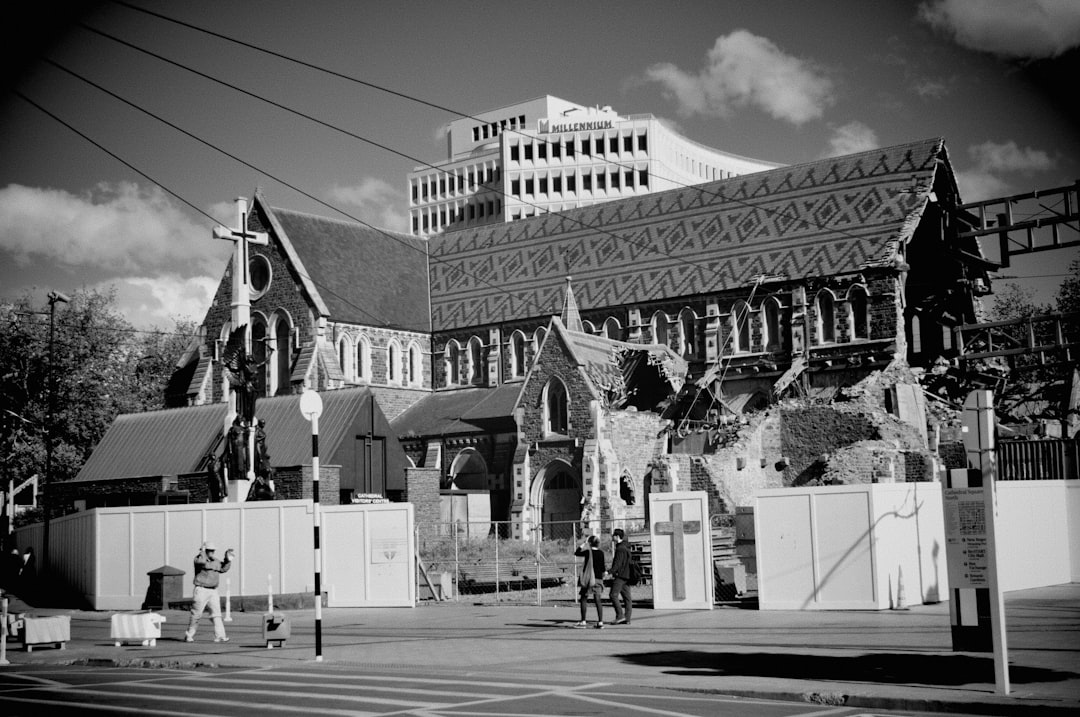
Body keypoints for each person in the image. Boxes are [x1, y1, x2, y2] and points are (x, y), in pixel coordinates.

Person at [183, 541, 234, 643]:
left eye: (213, 551)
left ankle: (220, 635)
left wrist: (227, 559)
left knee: (217, 614)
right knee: (196, 614)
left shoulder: (215, 561)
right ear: (205, 550)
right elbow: (201, 562)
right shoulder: (199, 559)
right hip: (201, 590)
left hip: (213, 590)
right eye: (209, 550)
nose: (212, 552)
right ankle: (189, 635)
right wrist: (202, 551)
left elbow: (223, 569)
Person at [573, 535, 605, 629]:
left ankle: (583, 620)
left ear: (590, 543)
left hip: (589, 578)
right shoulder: (601, 553)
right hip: (598, 578)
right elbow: (602, 567)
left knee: (584, 597)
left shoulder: (588, 552)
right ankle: (600, 621)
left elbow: (576, 553)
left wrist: (584, 543)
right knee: (598, 599)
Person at [607, 528, 633, 625]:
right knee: (627, 598)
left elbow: (617, 564)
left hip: (620, 576)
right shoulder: (626, 547)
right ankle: (627, 618)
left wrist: (609, 572)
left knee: (613, 595)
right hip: (627, 575)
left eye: (613, 535)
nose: (612, 537)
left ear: (617, 537)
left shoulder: (620, 549)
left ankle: (620, 616)